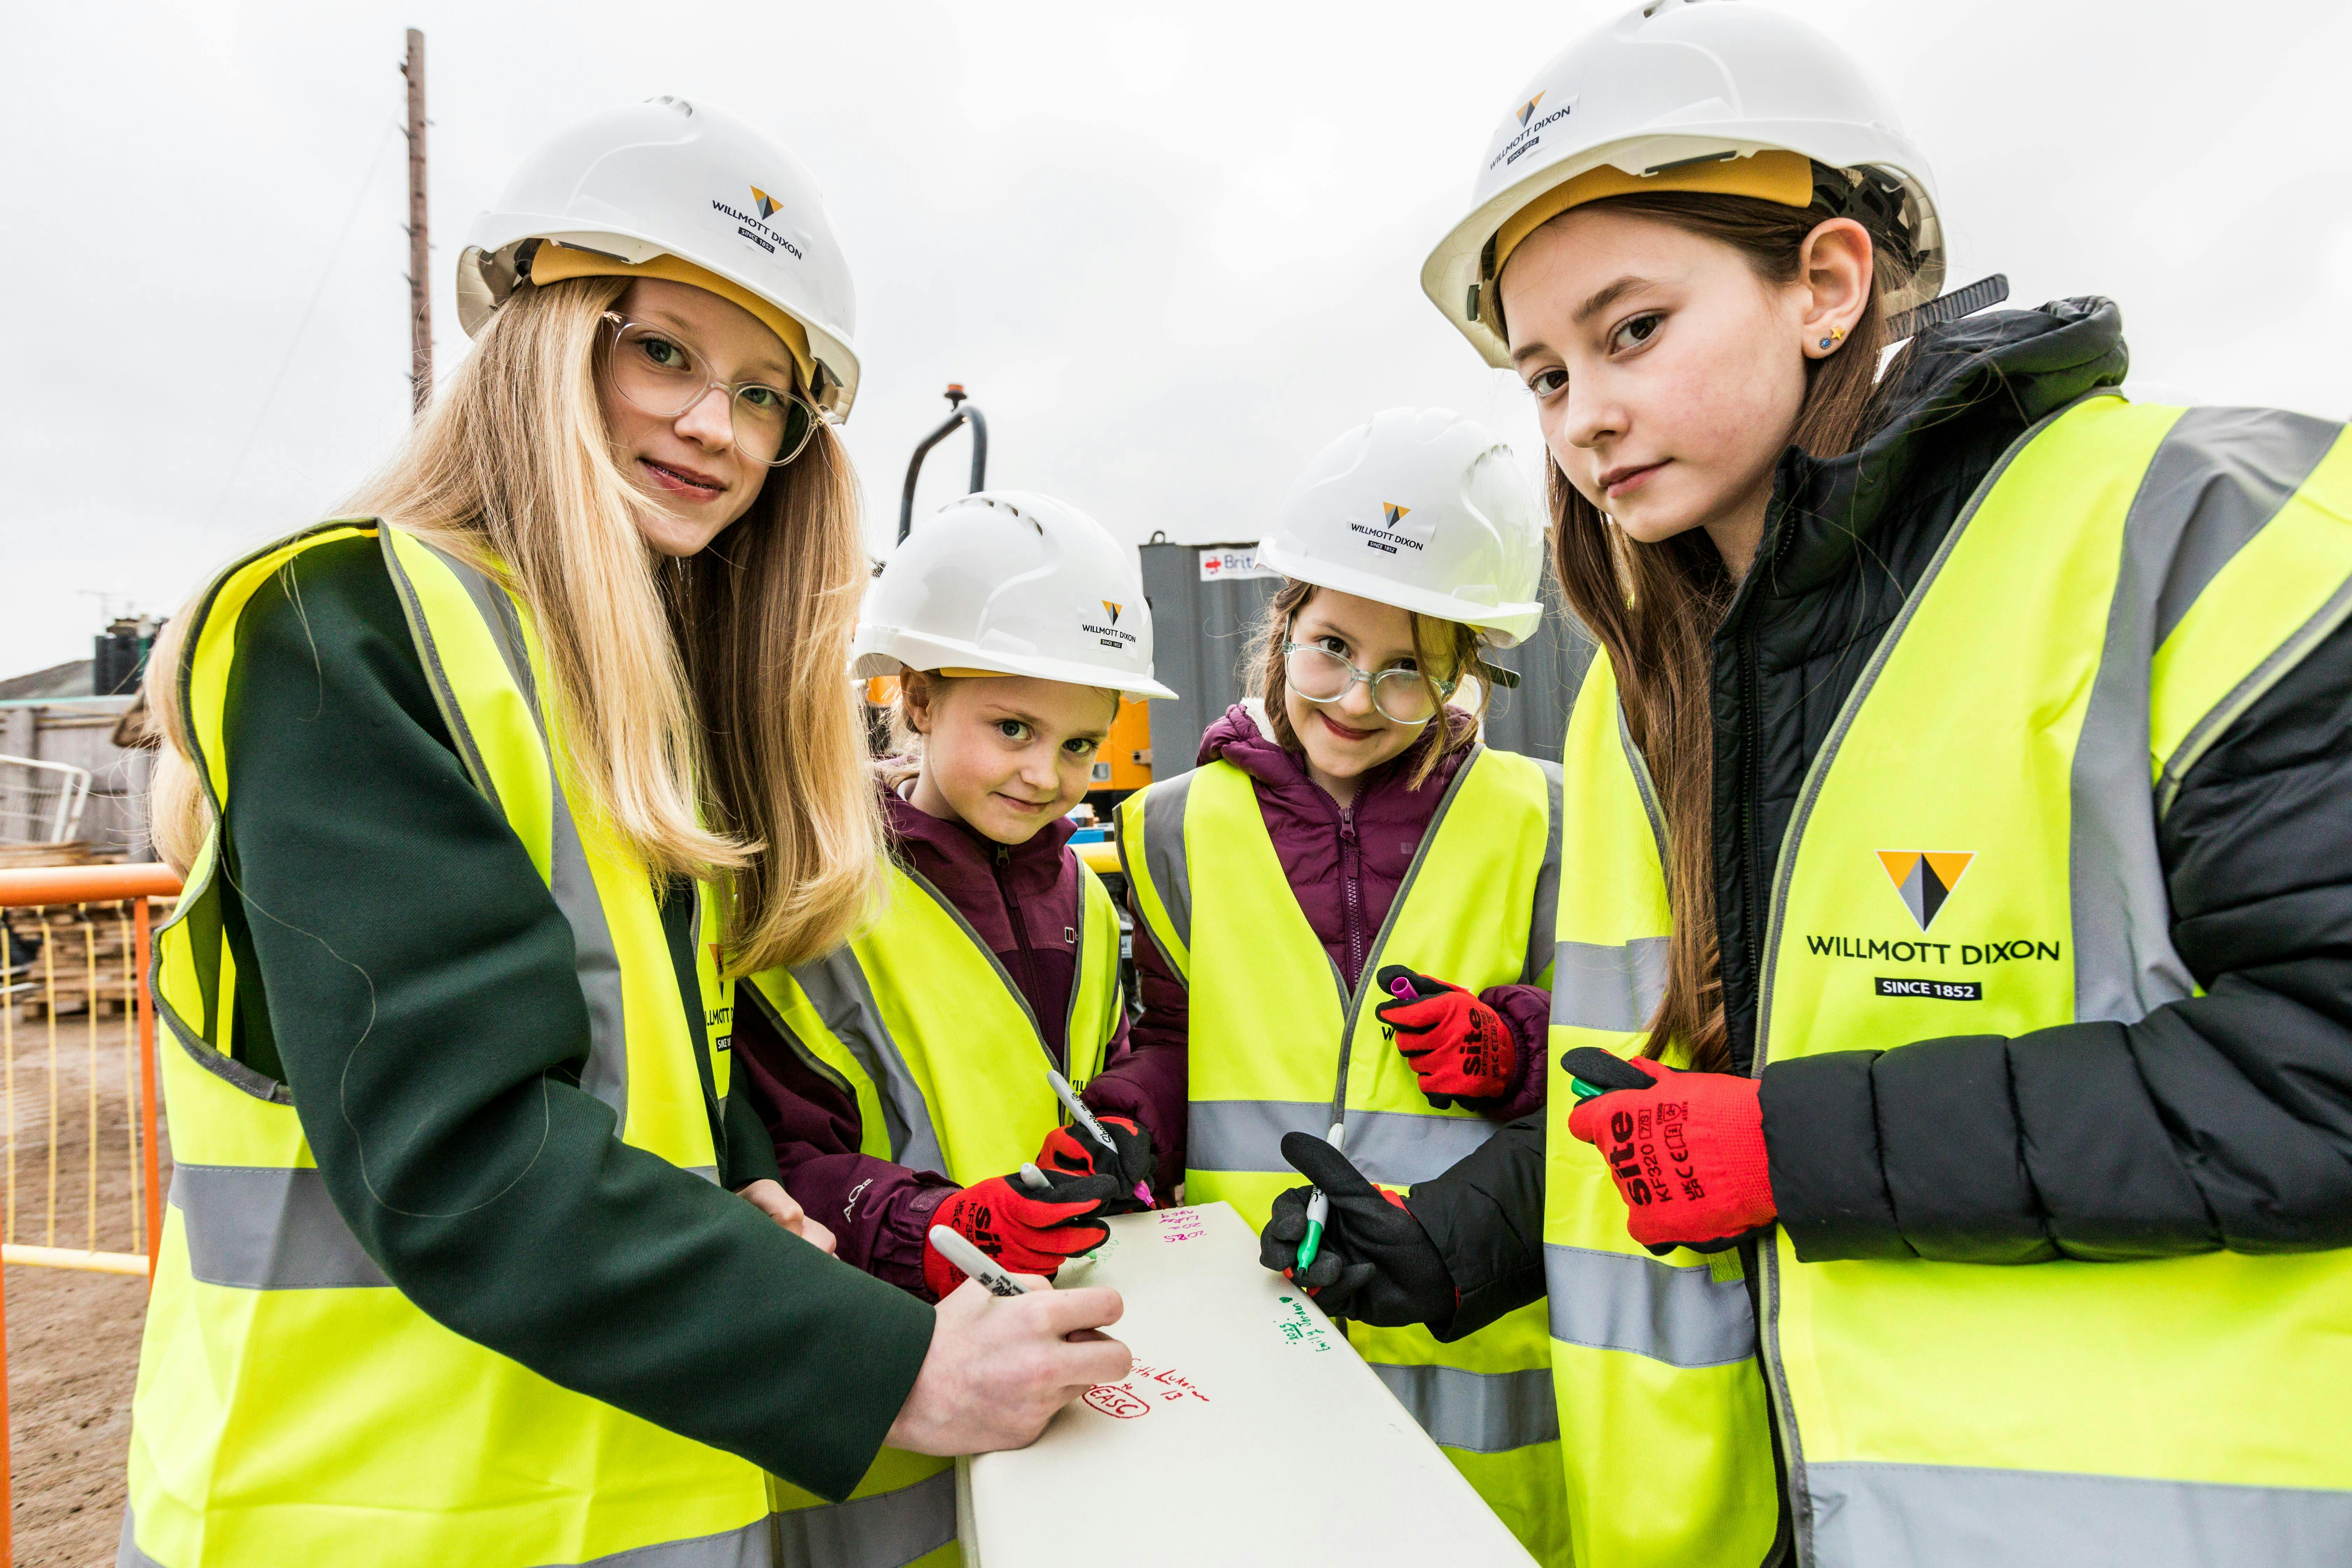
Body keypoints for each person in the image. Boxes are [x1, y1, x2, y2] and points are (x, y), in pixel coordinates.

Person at [1260, 3, 2352, 1565]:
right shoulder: (1647, 702)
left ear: (1827, 285)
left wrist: (1795, 1148)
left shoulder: (2205, 530)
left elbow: (2322, 1062)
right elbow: (1673, 1091)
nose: (1586, 420)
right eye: (1547, 374)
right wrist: (1451, 1245)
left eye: (1633, 331)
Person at [120, 98, 1128, 1568]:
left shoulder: (624, 697)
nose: (717, 426)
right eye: (662, 349)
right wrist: (894, 1366)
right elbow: (464, 1143)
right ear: (544, 337)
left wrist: (737, 1168)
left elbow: (625, 1045)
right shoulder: (353, 626)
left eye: (767, 396)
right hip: (365, 1517)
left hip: (618, 1500)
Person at [1116, 409, 1572, 1562]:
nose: (1359, 699)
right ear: (1282, 629)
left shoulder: (1545, 817)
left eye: (1411, 671)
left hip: (1477, 1349)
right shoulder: (1169, 828)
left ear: (1471, 673)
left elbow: (1616, 1050)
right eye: (1331, 647)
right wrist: (1131, 1120)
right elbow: (1168, 1034)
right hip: (1251, 1313)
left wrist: (1509, 1046)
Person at [735, 490, 1178, 1564]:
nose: (1047, 775)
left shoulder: (1085, 892)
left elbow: (1098, 1067)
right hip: (888, 1371)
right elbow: (778, 1153)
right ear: (918, 701)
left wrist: (1115, 1137)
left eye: (1081, 744)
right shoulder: (822, 896)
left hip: (1052, 1360)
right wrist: (947, 1229)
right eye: (1013, 729)